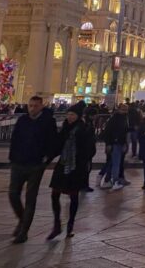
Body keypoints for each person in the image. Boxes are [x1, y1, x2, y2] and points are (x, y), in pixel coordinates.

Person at [8, 96, 57, 244]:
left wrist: (46, 159)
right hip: (18, 162)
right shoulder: (23, 120)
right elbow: (15, 139)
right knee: (13, 194)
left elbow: (52, 141)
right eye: (30, 106)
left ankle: (23, 232)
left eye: (35, 106)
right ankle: (22, 219)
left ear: (42, 106)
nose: (32, 108)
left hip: (36, 165)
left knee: (31, 198)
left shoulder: (48, 122)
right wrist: (13, 157)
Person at [47, 102, 93, 240]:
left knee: (73, 196)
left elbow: (89, 148)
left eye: (72, 114)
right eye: (68, 114)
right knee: (55, 194)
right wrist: (48, 158)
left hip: (76, 167)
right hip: (63, 165)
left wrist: (84, 163)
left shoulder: (84, 129)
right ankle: (57, 224)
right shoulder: (65, 127)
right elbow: (58, 145)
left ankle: (70, 226)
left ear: (78, 116)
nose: (69, 117)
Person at [102, 103, 130, 191]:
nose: (125, 111)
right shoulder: (115, 119)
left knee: (113, 162)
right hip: (115, 143)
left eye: (126, 109)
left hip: (120, 143)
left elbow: (124, 131)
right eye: (123, 109)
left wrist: (125, 143)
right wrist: (109, 143)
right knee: (116, 163)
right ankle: (115, 181)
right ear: (119, 109)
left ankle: (107, 180)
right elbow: (108, 131)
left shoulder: (124, 118)